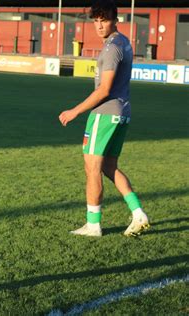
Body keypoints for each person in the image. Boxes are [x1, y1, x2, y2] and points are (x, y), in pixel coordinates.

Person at [58, 0, 149, 237]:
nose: (99, 25)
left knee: (92, 168)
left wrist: (75, 111)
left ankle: (93, 225)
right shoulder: (123, 42)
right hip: (122, 113)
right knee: (109, 166)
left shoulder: (111, 48)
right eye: (96, 21)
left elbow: (104, 89)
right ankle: (138, 213)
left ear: (115, 20)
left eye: (104, 20)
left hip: (105, 114)